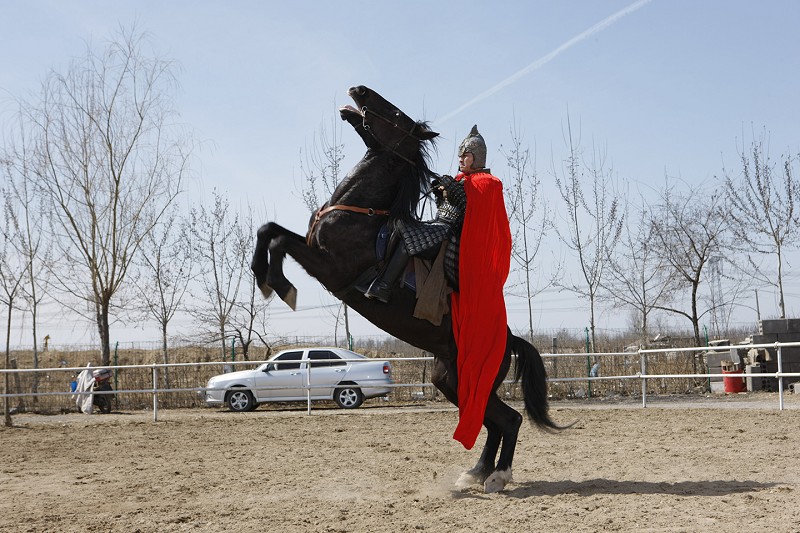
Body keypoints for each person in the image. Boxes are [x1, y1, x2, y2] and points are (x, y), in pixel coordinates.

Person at [365, 125, 512, 449]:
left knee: (409, 235)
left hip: (458, 246)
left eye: (466, 154)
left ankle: (385, 286)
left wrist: (455, 192)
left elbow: (467, 211)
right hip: (444, 230)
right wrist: (442, 190)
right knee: (403, 227)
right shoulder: (463, 180)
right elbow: (450, 206)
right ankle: (387, 281)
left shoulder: (489, 183)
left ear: (477, 157)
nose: (461, 158)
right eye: (460, 154)